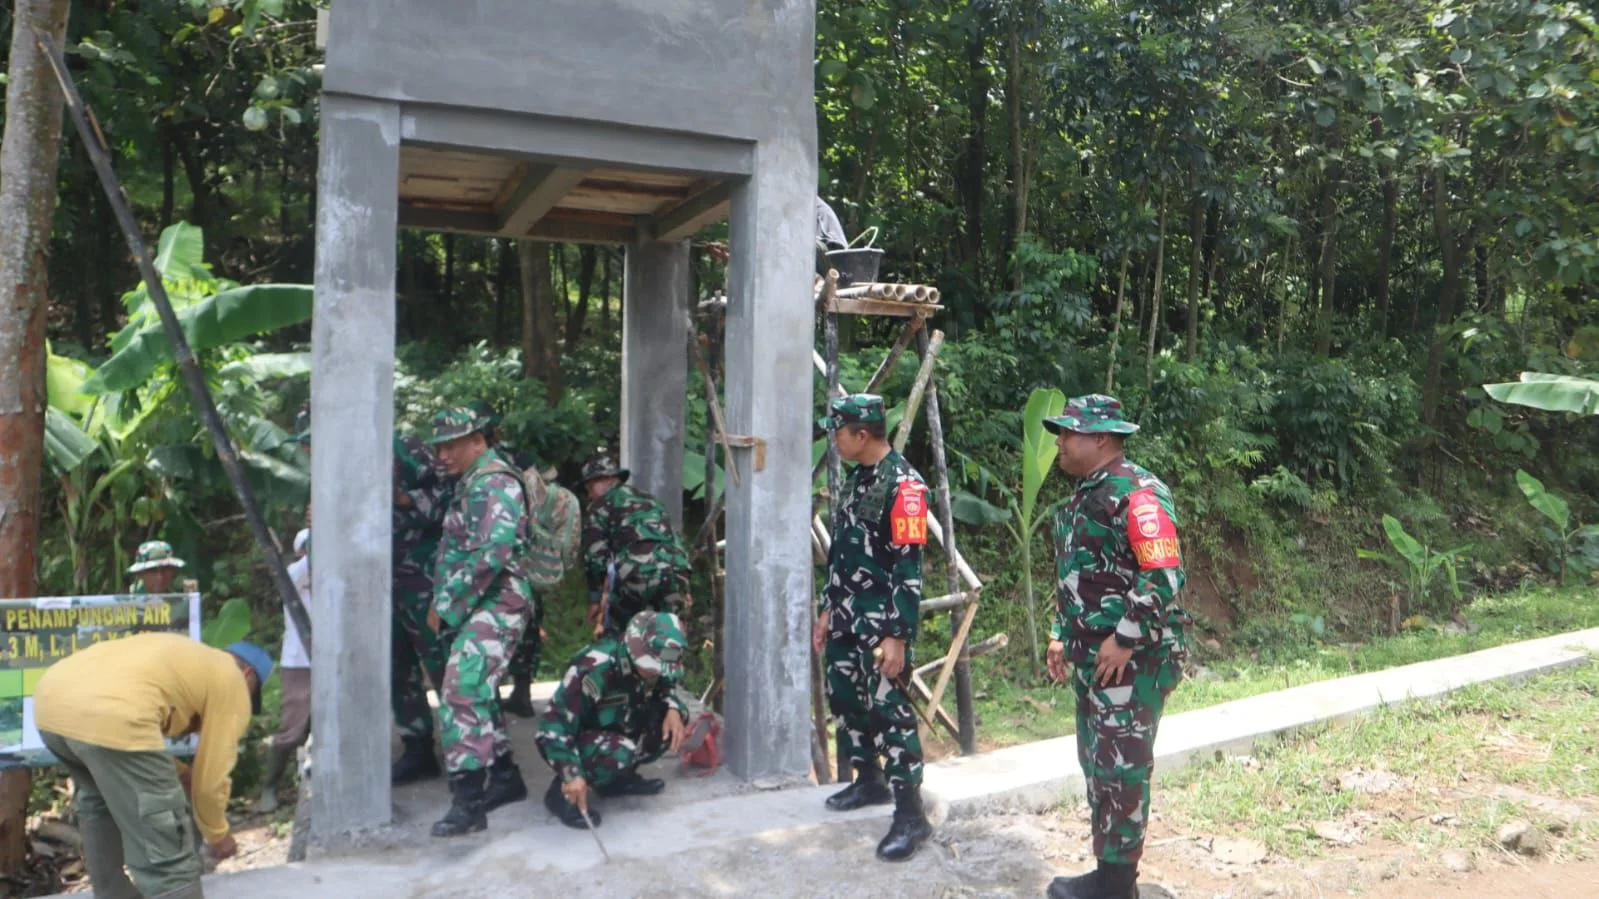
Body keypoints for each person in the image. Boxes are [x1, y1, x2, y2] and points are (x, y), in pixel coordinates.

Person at [1041, 394, 1189, 899]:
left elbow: (1163, 574)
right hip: (1094, 660)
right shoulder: (1085, 495)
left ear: (1101, 438)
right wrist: (1061, 633)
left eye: (1068, 433)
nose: (1059, 443)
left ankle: (1117, 886)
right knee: (1098, 766)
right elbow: (1077, 575)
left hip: (1134, 661)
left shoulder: (1138, 494)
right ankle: (1109, 876)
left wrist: (1125, 637)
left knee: (1122, 771)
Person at [35, 635, 272, 899]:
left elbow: (128, 749)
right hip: (110, 715)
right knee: (162, 829)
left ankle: (113, 893)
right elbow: (209, 782)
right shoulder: (232, 680)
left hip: (50, 706)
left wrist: (181, 773)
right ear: (248, 675)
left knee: (99, 802)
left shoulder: (191, 658)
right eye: (252, 694)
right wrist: (218, 835)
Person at [811, 393, 933, 862]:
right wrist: (828, 610)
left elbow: (908, 567)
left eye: (839, 433)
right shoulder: (857, 479)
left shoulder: (905, 486)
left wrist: (897, 635)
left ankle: (911, 814)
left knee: (890, 715)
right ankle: (870, 781)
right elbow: (841, 554)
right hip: (846, 619)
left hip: (882, 626)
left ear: (861, 435)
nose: (834, 442)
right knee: (848, 703)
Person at [425, 406, 537, 837]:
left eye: (452, 445)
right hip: (482, 600)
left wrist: (446, 603)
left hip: (499, 600)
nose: (443, 455)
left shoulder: (494, 482)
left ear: (478, 441)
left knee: (461, 689)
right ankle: (505, 777)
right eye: (439, 447)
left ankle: (468, 804)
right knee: (480, 690)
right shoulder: (473, 481)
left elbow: (494, 552)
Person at [534, 611, 690, 830]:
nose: (655, 672)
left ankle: (617, 780)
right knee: (619, 751)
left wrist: (673, 708)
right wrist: (570, 773)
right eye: (651, 667)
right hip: (581, 740)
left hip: (621, 722)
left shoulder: (660, 656)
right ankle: (561, 794)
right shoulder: (594, 668)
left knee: (671, 720)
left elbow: (666, 682)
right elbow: (552, 728)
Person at [579, 456, 692, 635]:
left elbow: (596, 558)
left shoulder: (601, 505)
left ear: (603, 481)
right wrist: (685, 586)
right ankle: (669, 653)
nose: (589, 496)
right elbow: (675, 541)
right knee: (670, 635)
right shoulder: (651, 501)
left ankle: (626, 650)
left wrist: (596, 599)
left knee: (626, 636)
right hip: (674, 572)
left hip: (634, 574)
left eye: (589, 488)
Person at [259, 528, 312, 812]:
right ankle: (269, 787)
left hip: (334, 658)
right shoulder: (295, 574)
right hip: (300, 661)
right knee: (292, 728)